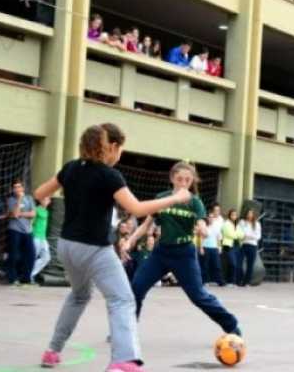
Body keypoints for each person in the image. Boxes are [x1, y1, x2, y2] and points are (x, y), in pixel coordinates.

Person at [33, 123, 192, 371]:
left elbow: (40, 192)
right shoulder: (109, 175)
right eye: (121, 149)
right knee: (122, 300)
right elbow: (136, 209)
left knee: (79, 295)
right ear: (113, 147)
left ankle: (52, 351)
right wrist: (176, 198)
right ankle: (123, 360)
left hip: (66, 246)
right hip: (93, 248)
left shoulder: (71, 167)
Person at [122, 162, 242, 339]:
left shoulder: (195, 202)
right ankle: (126, 331)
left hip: (184, 254)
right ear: (172, 179)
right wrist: (130, 240)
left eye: (187, 180)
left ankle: (231, 326)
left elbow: (202, 225)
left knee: (198, 296)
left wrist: (203, 230)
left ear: (192, 181)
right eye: (179, 179)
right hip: (161, 253)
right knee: (136, 288)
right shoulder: (162, 198)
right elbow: (147, 224)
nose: (183, 183)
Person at [5, 180, 37, 286]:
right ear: (13, 189)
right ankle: (13, 278)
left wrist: (21, 214)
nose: (17, 189)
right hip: (15, 230)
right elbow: (14, 214)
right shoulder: (11, 200)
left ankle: (26, 278)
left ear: (22, 188)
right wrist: (19, 199)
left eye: (19, 187)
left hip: (28, 230)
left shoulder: (29, 198)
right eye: (15, 187)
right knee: (14, 255)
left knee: (31, 255)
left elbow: (33, 214)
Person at [234, 209, 261, 287]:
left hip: (253, 246)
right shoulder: (242, 222)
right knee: (239, 263)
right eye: (248, 213)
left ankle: (246, 282)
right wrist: (250, 235)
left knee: (250, 265)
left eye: (251, 213)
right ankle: (238, 281)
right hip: (243, 245)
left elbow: (258, 236)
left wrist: (247, 235)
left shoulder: (257, 224)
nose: (249, 215)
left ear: (253, 215)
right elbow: (240, 233)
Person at [200, 204, 224, 287]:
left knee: (217, 265)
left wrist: (219, 247)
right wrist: (201, 248)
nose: (211, 219)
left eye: (212, 217)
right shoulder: (204, 226)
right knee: (205, 265)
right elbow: (202, 237)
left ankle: (220, 281)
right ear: (207, 218)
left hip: (214, 247)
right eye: (209, 217)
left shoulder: (216, 226)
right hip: (206, 247)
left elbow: (218, 237)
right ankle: (205, 281)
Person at [31, 197, 52, 283]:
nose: (46, 201)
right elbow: (31, 223)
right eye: (44, 199)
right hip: (35, 237)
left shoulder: (46, 211)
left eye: (47, 200)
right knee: (33, 257)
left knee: (47, 257)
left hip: (43, 238)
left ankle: (31, 274)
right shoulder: (36, 209)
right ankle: (27, 276)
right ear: (40, 200)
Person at [220, 209, 242, 286]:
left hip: (237, 246)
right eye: (232, 215)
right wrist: (237, 234)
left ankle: (233, 281)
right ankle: (229, 281)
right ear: (229, 215)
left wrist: (236, 234)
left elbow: (242, 234)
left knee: (236, 264)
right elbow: (230, 234)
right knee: (231, 263)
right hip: (228, 246)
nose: (234, 216)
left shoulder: (237, 224)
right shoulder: (226, 224)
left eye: (235, 215)